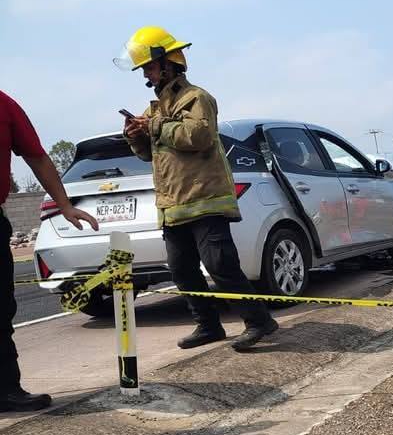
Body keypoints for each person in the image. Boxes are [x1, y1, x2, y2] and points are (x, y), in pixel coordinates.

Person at [116, 26, 277, 352]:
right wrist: (135, 136)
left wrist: (155, 126)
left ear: (168, 63)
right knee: (182, 271)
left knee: (221, 266)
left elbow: (199, 136)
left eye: (149, 66)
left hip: (205, 200)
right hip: (173, 206)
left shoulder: (196, 98)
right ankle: (208, 326)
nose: (146, 74)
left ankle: (259, 321)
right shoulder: (155, 109)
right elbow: (149, 154)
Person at [1, 91, 99, 410]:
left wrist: (65, 205)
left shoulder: (4, 105)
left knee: (0, 311)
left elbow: (37, 157)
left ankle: (5, 390)